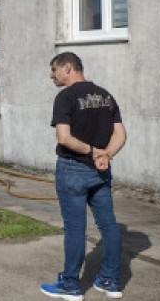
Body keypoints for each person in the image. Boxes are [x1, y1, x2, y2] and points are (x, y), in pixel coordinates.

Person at [41, 52, 126, 301]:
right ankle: (111, 281)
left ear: (68, 68)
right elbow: (120, 134)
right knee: (108, 225)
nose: (51, 75)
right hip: (101, 170)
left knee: (75, 228)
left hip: (73, 169)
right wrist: (106, 154)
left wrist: (93, 151)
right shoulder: (105, 96)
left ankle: (70, 285)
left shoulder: (65, 97)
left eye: (54, 69)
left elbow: (64, 138)